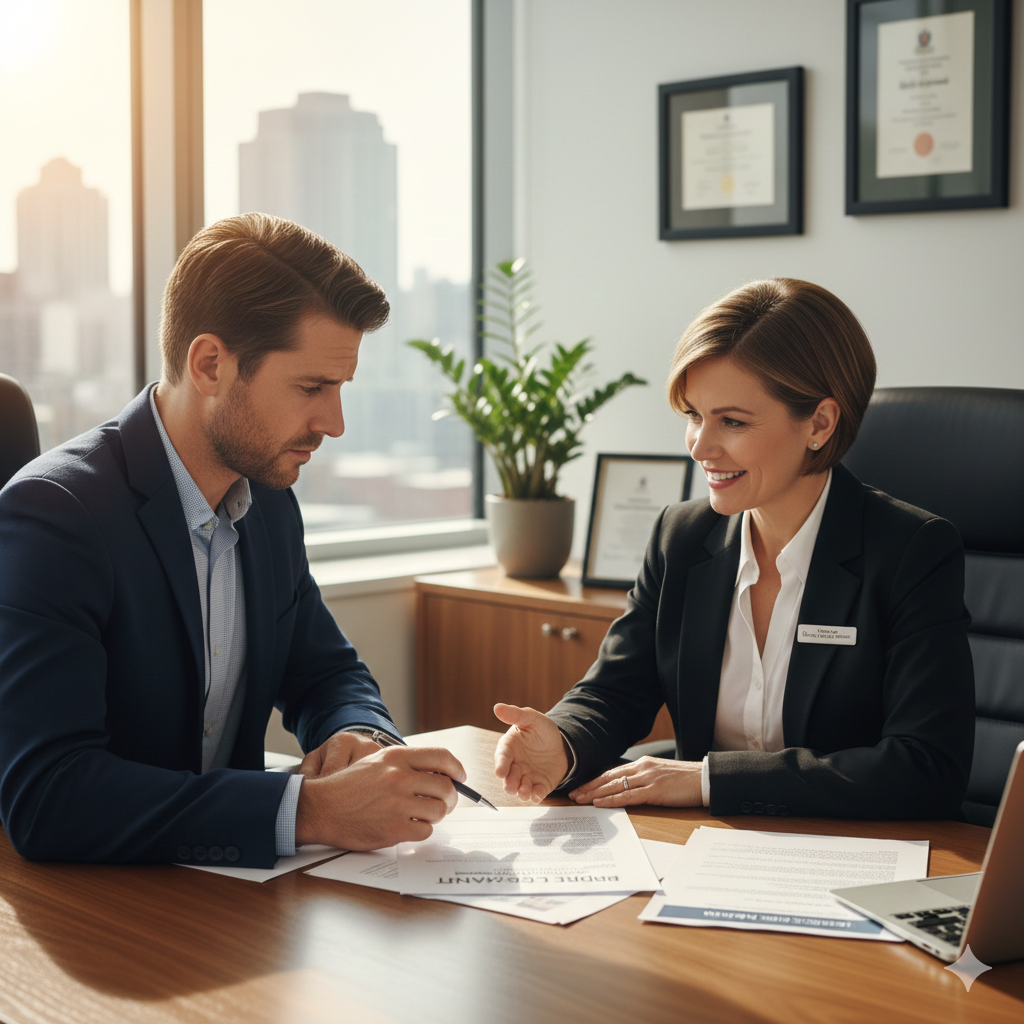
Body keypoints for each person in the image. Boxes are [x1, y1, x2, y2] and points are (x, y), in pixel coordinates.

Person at [0, 214, 466, 867]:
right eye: (312, 387)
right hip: (97, 912)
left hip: (231, 897)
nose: (333, 423)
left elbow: (327, 671)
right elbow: (49, 795)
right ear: (211, 363)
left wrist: (355, 733)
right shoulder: (56, 515)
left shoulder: (268, 503)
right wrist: (316, 810)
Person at [493, 278, 975, 819]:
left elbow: (927, 767)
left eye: (732, 421)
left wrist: (707, 779)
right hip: (706, 847)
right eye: (694, 416)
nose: (700, 446)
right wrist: (561, 743)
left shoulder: (911, 550)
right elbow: (617, 691)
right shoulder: (682, 537)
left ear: (819, 422)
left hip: (851, 851)